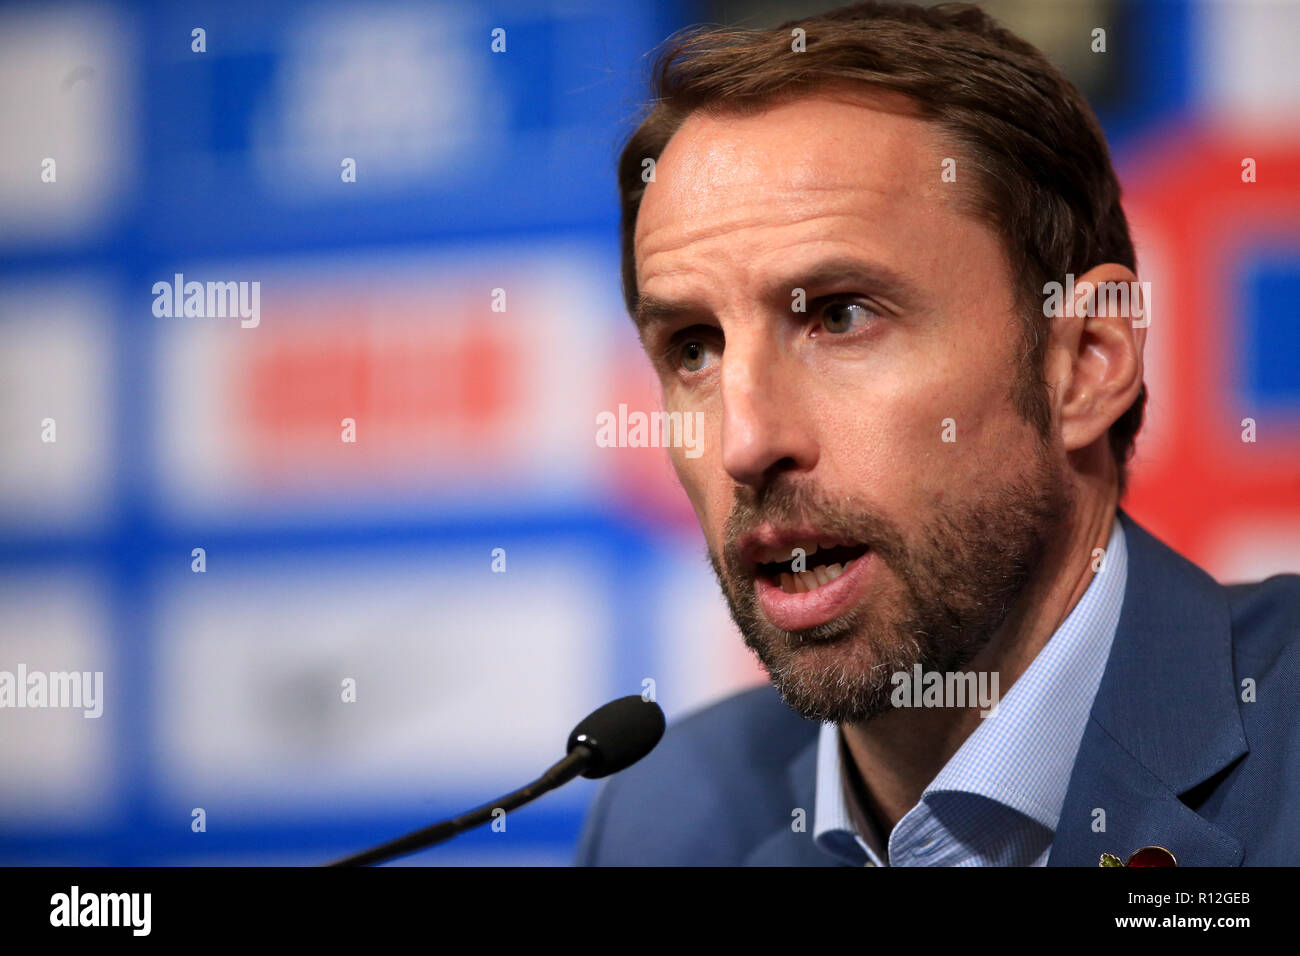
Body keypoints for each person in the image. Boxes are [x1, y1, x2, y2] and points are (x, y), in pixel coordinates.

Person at [575, 1, 1300, 866]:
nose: (746, 442)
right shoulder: (663, 821)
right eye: (694, 348)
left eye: (841, 317)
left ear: (1087, 362)